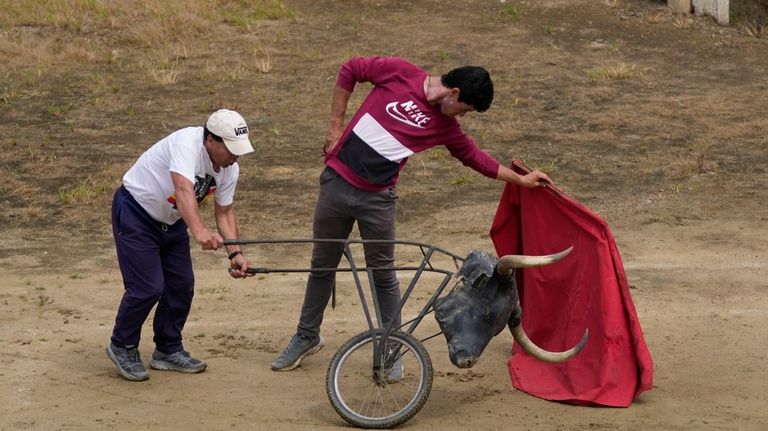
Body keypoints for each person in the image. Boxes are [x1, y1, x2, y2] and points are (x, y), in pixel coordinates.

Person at [271, 56, 552, 373]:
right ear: (454, 93)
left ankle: (392, 350)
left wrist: (521, 180)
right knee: (322, 265)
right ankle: (307, 336)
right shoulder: (400, 73)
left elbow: (474, 157)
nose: (462, 116)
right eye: (464, 109)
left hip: (377, 201)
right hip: (336, 184)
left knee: (383, 274)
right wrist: (335, 125)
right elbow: (351, 68)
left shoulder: (446, 126)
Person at [106, 109, 254, 381]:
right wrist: (199, 231)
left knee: (181, 286)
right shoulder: (186, 143)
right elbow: (184, 189)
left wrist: (236, 253)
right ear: (211, 140)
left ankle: (167, 349)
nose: (236, 156)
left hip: (172, 222)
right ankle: (122, 344)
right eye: (231, 149)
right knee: (147, 288)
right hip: (136, 213)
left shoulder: (230, 169)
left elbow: (225, 213)